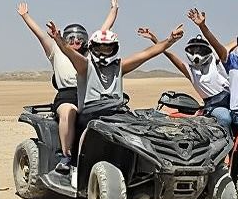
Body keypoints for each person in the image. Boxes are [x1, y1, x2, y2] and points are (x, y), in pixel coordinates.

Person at [17, 0, 118, 173]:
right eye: (71, 38)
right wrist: (26, 16)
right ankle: (66, 155)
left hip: (90, 94)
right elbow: (40, 34)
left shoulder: (92, 54)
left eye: (80, 38)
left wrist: (113, 10)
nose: (75, 41)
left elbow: (104, 31)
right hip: (66, 95)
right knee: (68, 112)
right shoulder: (56, 51)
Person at [46, 20, 184, 133]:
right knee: (90, 136)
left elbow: (147, 54)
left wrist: (170, 40)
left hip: (116, 113)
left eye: (107, 48)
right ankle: (68, 158)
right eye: (99, 48)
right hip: (90, 115)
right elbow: (70, 53)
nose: (103, 52)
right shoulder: (85, 66)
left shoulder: (119, 66)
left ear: (114, 48)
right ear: (92, 48)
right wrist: (59, 40)